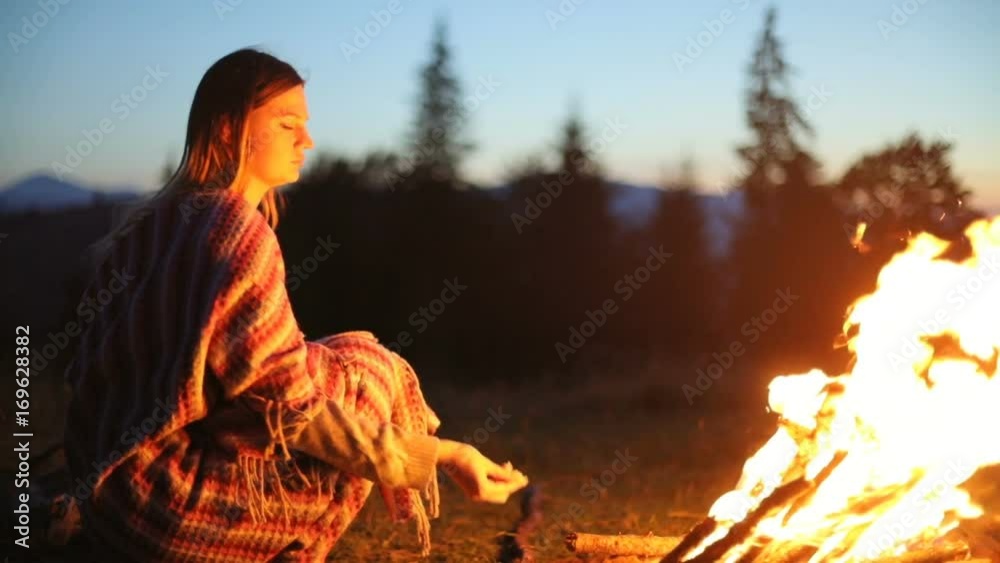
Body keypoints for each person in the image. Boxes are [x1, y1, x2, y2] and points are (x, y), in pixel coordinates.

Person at [61, 47, 528, 561]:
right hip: (165, 511)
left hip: (108, 496)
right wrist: (442, 453)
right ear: (225, 128)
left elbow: (240, 382)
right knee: (368, 377)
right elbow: (295, 414)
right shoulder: (236, 230)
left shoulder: (152, 223)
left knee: (338, 360)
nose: (307, 140)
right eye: (287, 124)